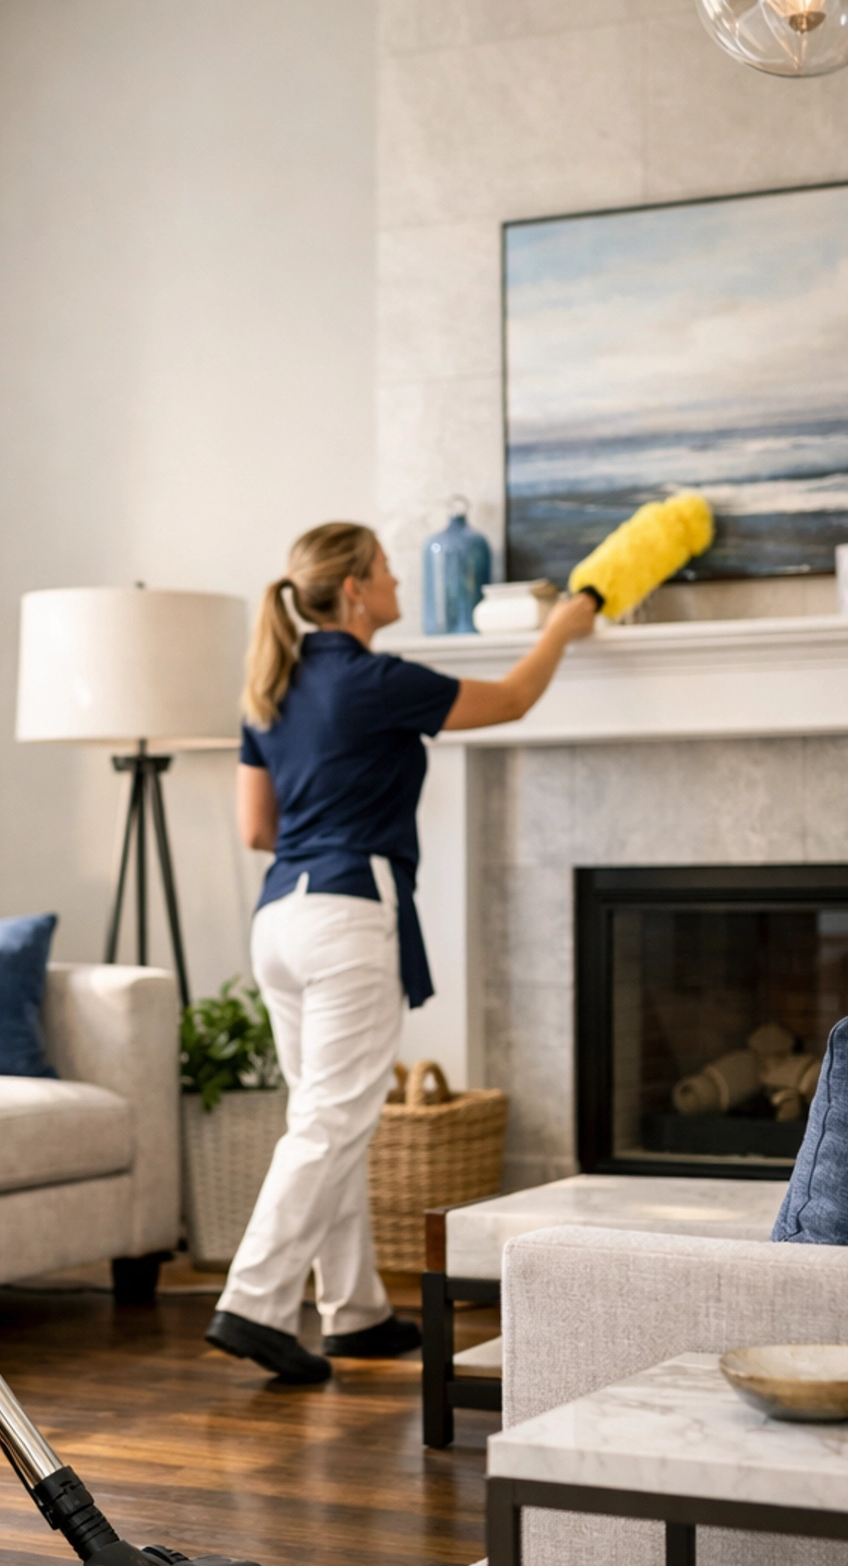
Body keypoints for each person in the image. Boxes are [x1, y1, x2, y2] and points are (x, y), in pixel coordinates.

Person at [206, 521, 596, 1384]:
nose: (397, 585)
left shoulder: (270, 683)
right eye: (386, 571)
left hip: (280, 919)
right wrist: (561, 629)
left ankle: (355, 1312)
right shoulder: (373, 680)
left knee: (328, 1120)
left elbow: (255, 829)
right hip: (348, 912)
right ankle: (254, 1303)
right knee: (332, 1122)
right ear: (352, 590)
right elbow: (515, 699)